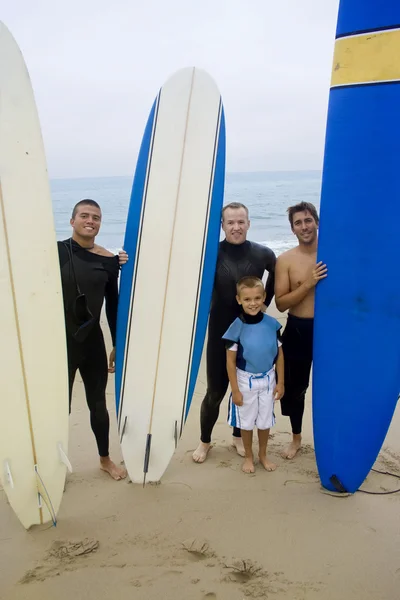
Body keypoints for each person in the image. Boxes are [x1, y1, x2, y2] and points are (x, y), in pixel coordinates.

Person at [192, 202, 276, 463]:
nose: (236, 227)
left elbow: (275, 275)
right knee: (215, 391)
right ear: (223, 225)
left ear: (249, 223)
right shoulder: (210, 254)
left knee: (246, 392)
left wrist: (263, 303)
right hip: (220, 332)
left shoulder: (264, 254)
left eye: (241, 222)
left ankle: (238, 436)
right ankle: (205, 441)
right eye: (231, 222)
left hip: (250, 335)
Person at [58, 198, 127, 480]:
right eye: (84, 216)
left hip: (92, 342)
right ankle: (56, 464)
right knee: (59, 408)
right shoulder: (56, 251)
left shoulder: (109, 261)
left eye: (96, 217)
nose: (90, 221)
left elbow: (114, 306)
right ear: (72, 220)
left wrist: (116, 344)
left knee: (98, 404)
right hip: (59, 344)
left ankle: (105, 459)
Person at [274, 201, 327, 459]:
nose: (304, 226)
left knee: (331, 387)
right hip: (298, 329)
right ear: (292, 229)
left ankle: (330, 438)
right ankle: (296, 438)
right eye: (298, 223)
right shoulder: (285, 260)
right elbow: (281, 302)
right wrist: (308, 284)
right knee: (296, 389)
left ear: (317, 222)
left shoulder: (334, 254)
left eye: (308, 220)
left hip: (331, 332)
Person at [223, 276, 284, 474]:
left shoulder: (272, 324)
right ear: (239, 300)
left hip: (268, 379)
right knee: (247, 422)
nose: (253, 303)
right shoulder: (236, 327)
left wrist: (280, 382)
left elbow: (280, 355)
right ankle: (249, 457)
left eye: (257, 298)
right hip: (245, 381)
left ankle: (263, 455)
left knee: (265, 421)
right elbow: (230, 362)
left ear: (264, 297)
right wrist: (235, 390)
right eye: (247, 299)